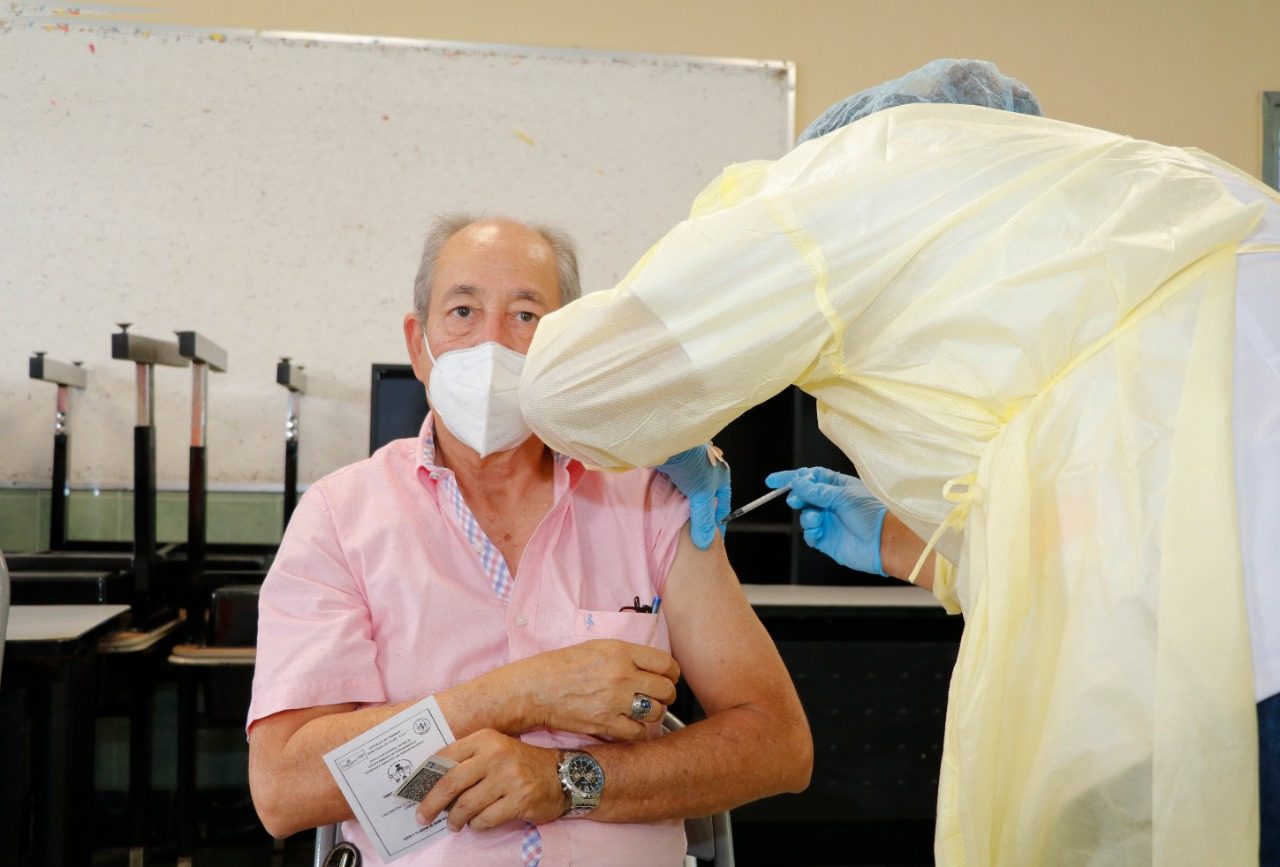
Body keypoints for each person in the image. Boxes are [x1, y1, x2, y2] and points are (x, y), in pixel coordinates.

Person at [519, 60, 1280, 865]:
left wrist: (666, 431)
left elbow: (569, 385)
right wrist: (905, 543)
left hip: (1222, 667)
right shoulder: (1134, 196)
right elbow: (1104, 506)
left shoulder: (846, 180)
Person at [246, 216, 813, 866]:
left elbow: (778, 744)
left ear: (568, 347)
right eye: (463, 311)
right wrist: (523, 694)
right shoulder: (341, 517)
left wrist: (567, 781)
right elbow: (283, 789)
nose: (490, 344)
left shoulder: (651, 502)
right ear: (418, 344)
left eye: (525, 315)